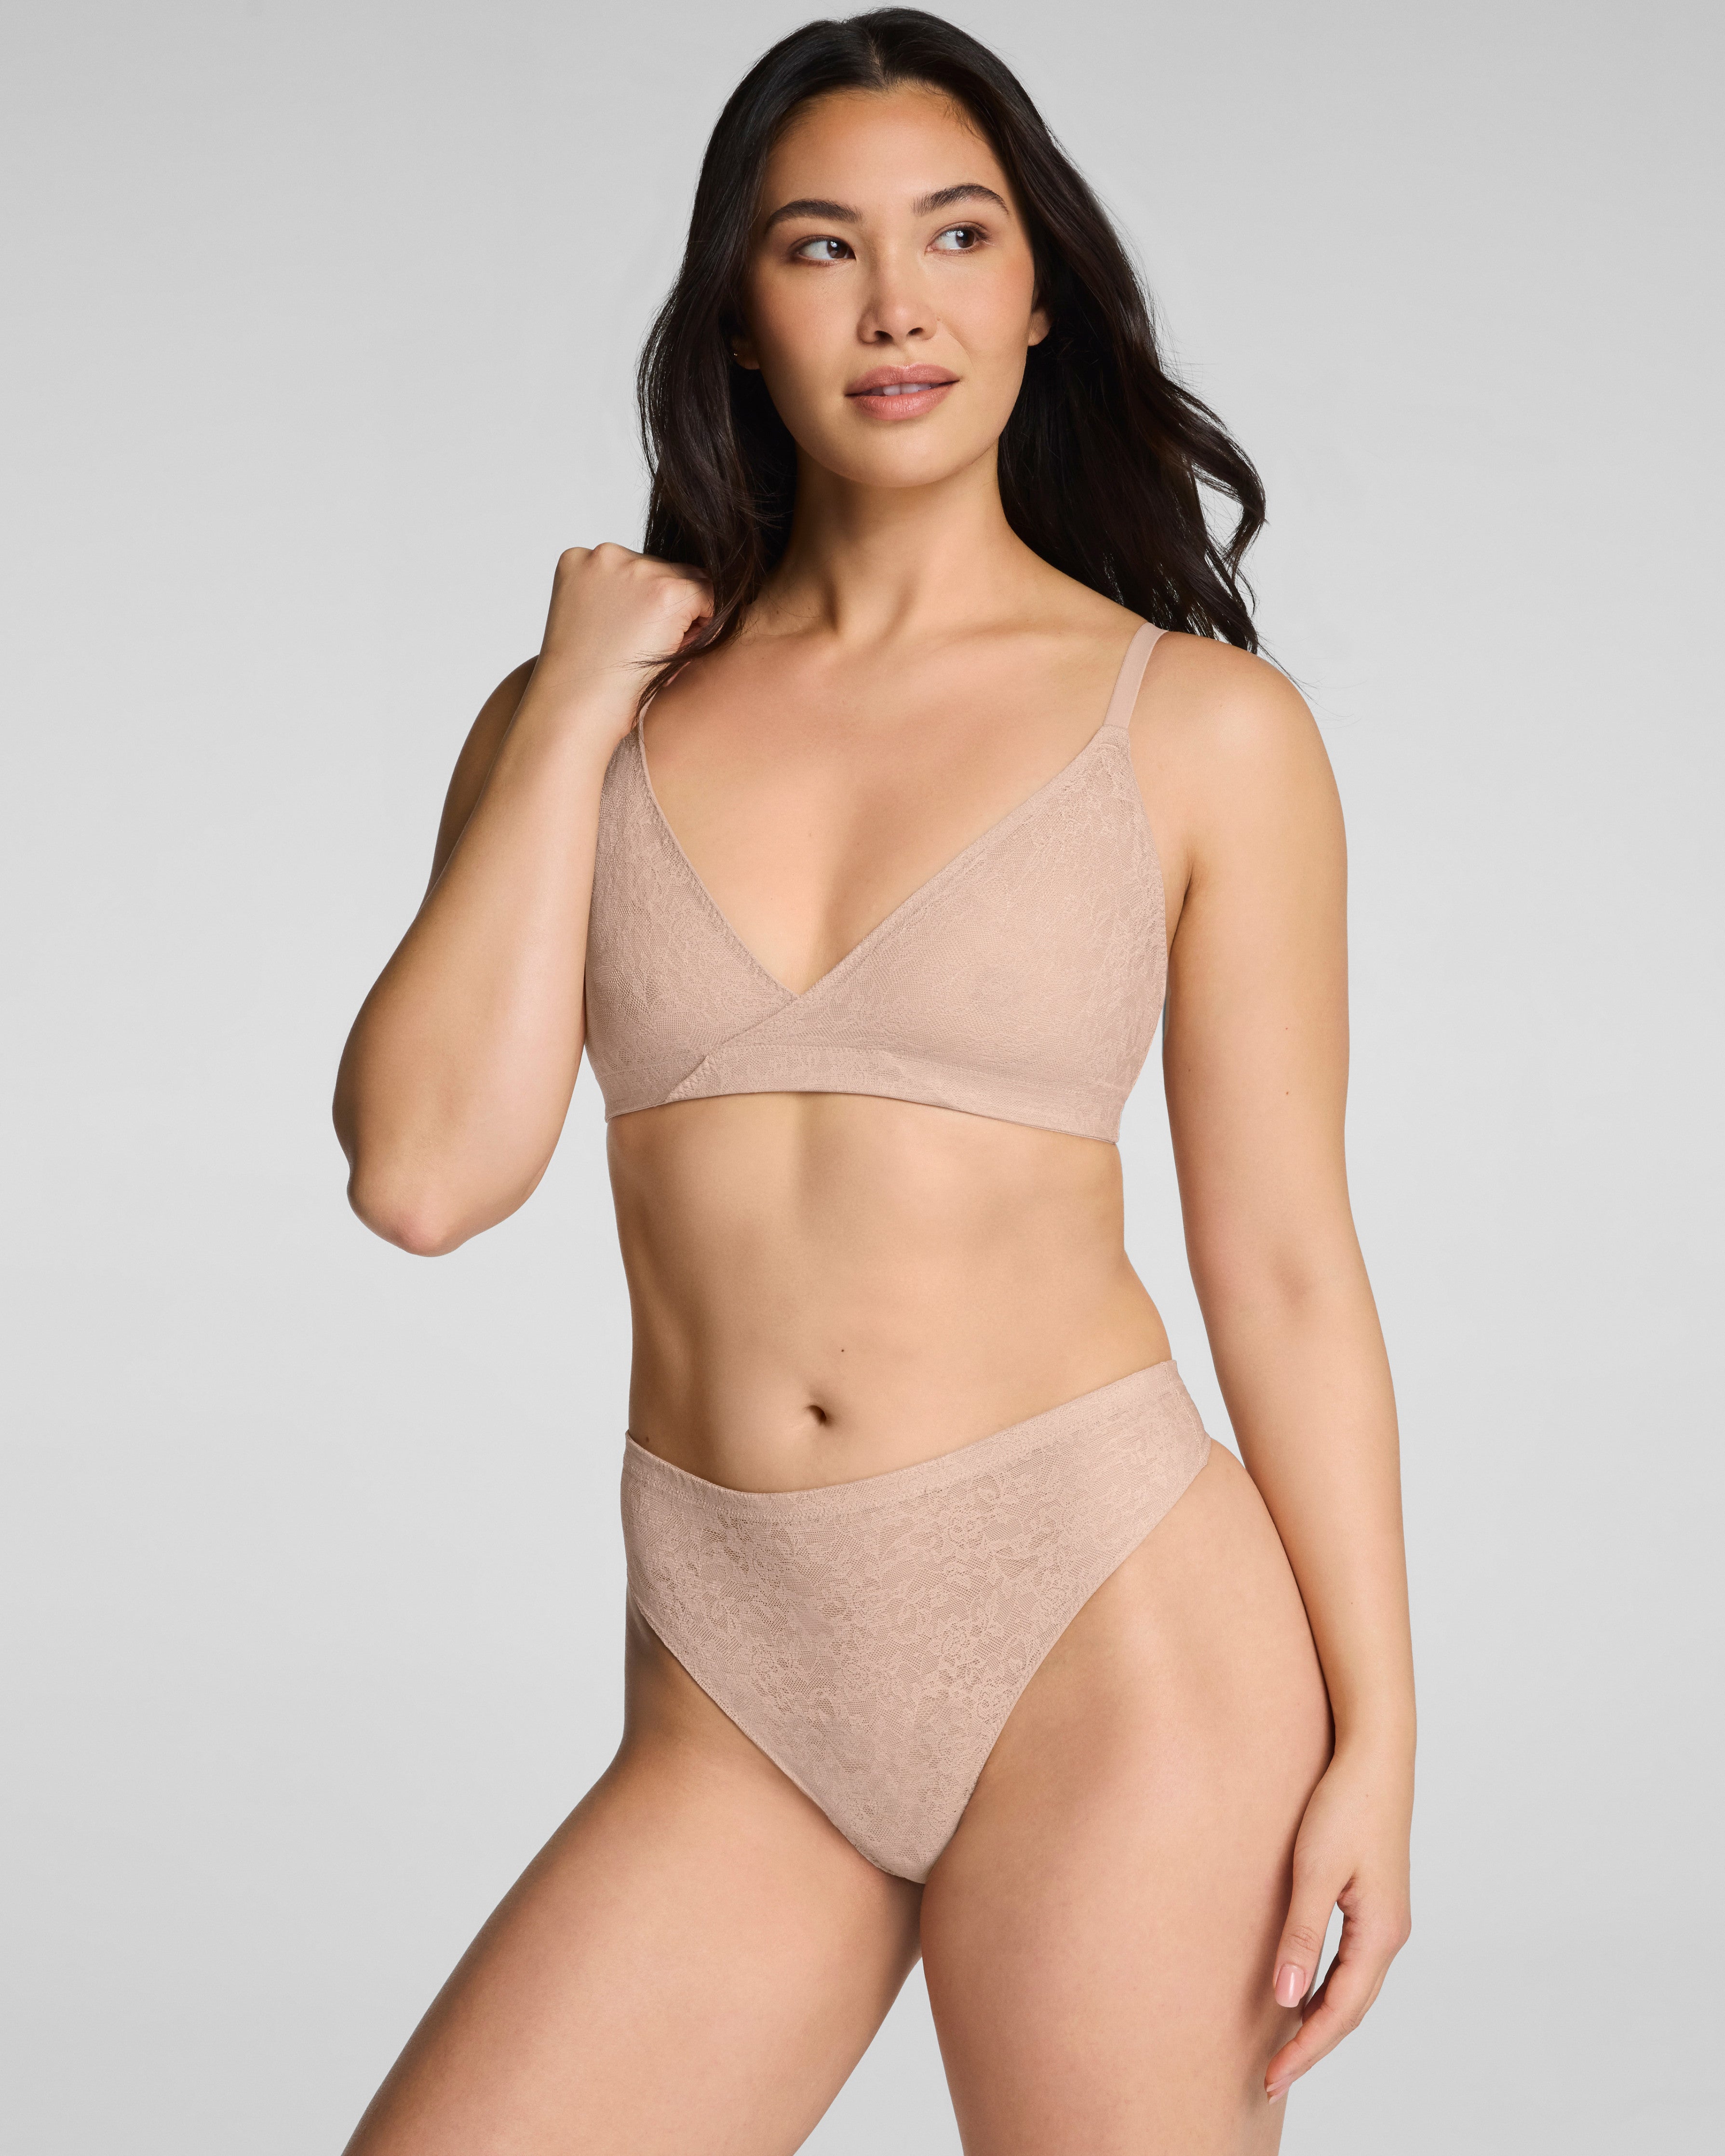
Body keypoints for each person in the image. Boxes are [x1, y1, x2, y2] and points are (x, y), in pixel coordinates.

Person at [332, 10, 1415, 2150]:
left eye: (957, 234)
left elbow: (1285, 1263)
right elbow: (425, 1176)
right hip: (733, 1678)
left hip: (1114, 1632)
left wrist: (1378, 1734)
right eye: (820, 246)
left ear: (1040, 296)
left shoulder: (1200, 729)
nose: (897, 302)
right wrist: (570, 706)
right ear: (738, 315)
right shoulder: (585, 720)